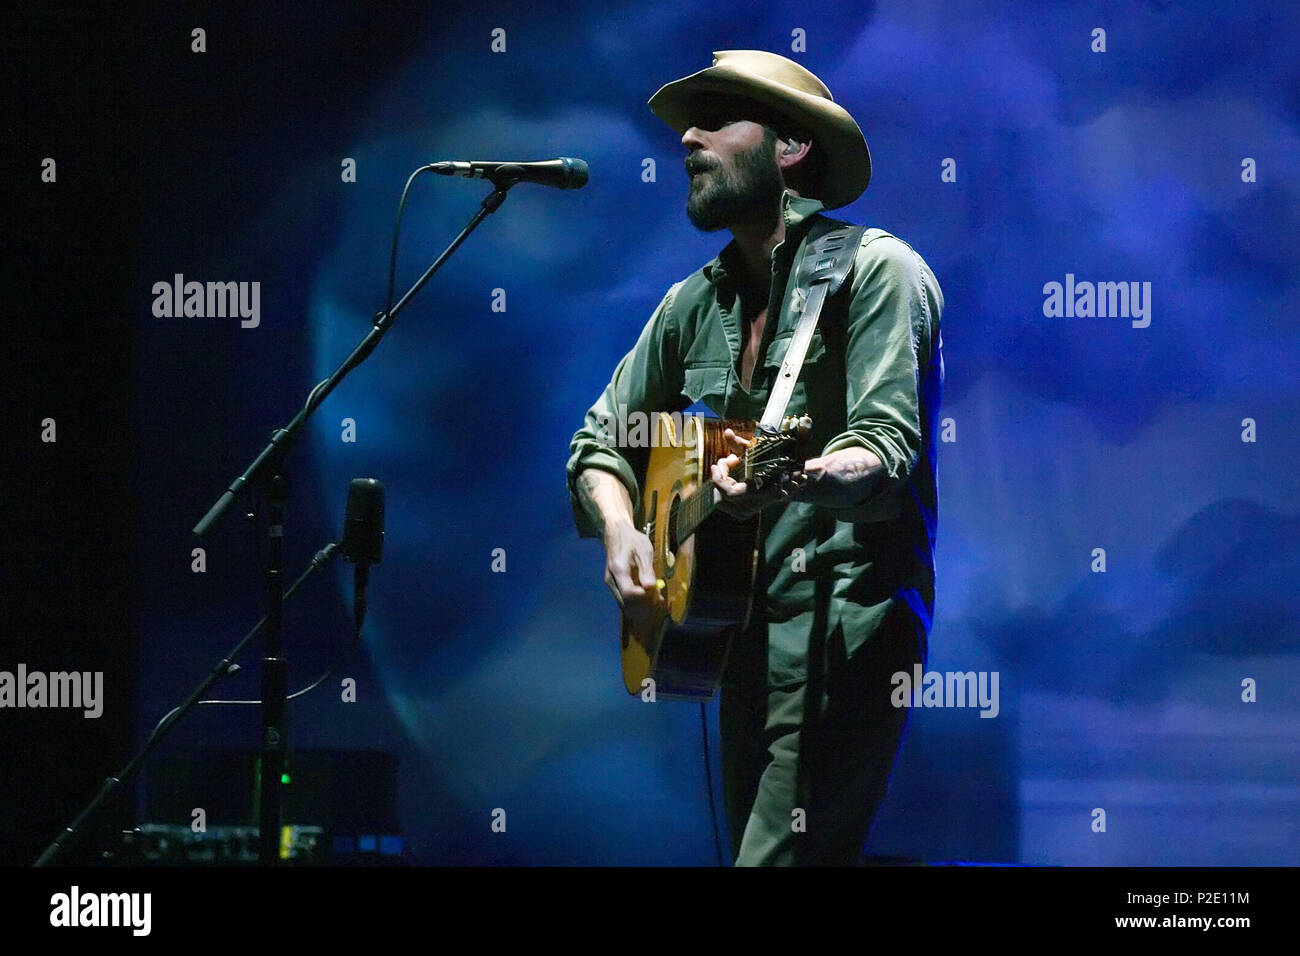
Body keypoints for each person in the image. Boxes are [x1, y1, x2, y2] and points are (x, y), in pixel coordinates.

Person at [566, 50, 944, 865]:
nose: (689, 139)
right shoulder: (694, 303)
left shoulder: (879, 273)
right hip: (735, 631)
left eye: (716, 121)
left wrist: (802, 477)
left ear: (791, 149)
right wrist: (624, 531)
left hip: (843, 630)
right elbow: (600, 441)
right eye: (687, 126)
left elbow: (886, 450)